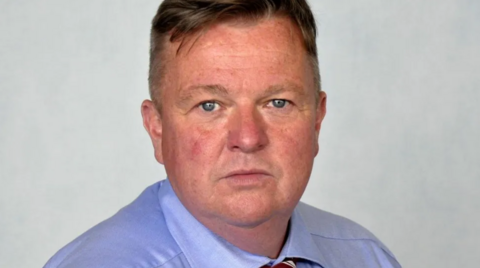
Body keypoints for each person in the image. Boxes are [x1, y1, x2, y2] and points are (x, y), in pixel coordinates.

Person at [45, 0, 401, 267]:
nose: (247, 138)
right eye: (210, 105)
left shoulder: (365, 257)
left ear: (317, 121)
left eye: (277, 102)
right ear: (157, 127)